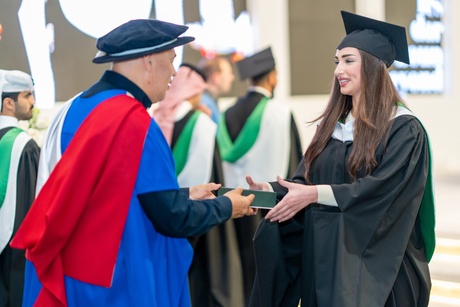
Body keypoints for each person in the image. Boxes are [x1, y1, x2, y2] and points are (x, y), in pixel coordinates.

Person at [9, 19, 255, 307]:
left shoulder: (72, 108)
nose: (174, 72)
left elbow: (106, 193)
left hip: (70, 274)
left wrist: (184, 194)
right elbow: (171, 218)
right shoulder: (132, 120)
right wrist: (227, 207)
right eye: (172, 60)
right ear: (149, 61)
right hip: (117, 280)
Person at [246, 11, 435, 307]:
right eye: (337, 62)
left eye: (348, 60)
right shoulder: (333, 126)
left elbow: (381, 192)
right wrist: (274, 191)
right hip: (326, 265)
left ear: (373, 66)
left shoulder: (404, 128)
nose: (338, 70)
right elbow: (306, 179)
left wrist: (313, 194)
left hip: (381, 271)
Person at [152, 63, 245, 307]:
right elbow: (213, 174)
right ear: (194, 91)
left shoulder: (156, 120)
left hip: (163, 211)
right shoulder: (201, 123)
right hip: (200, 213)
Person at [217, 46, 303, 306]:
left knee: (240, 270)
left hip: (231, 204)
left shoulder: (225, 113)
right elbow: (296, 169)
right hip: (269, 210)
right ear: (272, 77)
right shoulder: (280, 113)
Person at [0, 70, 40, 307]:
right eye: (27, 95)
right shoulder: (22, 146)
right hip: (13, 258)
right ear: (9, 103)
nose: (33, 102)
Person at [197, 56, 235, 123]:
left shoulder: (206, 101)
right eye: (229, 73)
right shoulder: (204, 105)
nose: (232, 78)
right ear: (216, 77)